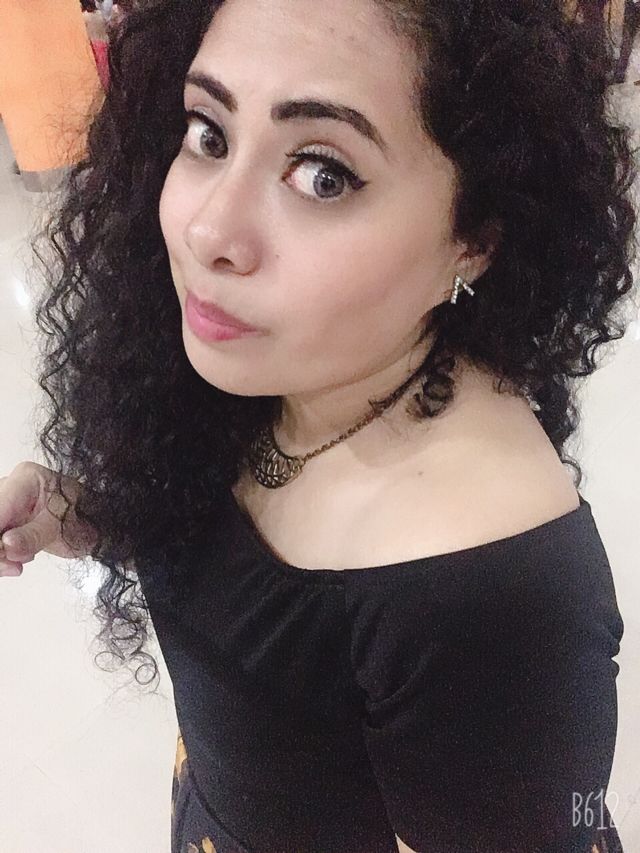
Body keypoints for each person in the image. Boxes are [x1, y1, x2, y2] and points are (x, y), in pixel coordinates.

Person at [0, 1, 636, 851]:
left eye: (323, 176)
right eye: (209, 134)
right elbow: (259, 606)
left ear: (475, 238)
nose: (208, 228)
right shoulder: (278, 369)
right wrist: (80, 511)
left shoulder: (489, 597)